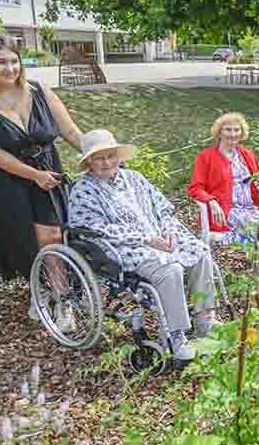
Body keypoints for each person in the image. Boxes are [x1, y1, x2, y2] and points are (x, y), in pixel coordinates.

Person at [69, 129, 217, 362]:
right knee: (171, 271)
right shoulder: (83, 190)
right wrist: (146, 239)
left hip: (159, 237)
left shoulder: (135, 178)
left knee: (201, 253)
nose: (106, 162)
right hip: (124, 246)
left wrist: (168, 231)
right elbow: (94, 228)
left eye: (110, 155)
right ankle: (174, 336)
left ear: (119, 156)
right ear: (88, 162)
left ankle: (204, 319)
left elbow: (163, 208)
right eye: (99, 158)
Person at [0, 35, 83, 317]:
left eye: (14, 61)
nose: (9, 68)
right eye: (0, 62)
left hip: (46, 170)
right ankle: (39, 292)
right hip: (4, 177)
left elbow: (71, 132)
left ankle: (61, 297)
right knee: (24, 238)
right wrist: (33, 175)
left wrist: (102, 154)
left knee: (53, 234)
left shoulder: (40, 91)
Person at [188, 112, 259, 266]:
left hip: (251, 208)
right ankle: (257, 279)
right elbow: (195, 188)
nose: (233, 134)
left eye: (237, 130)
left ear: (242, 133)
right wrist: (212, 201)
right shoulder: (206, 157)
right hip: (228, 211)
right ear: (219, 132)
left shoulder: (246, 154)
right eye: (228, 129)